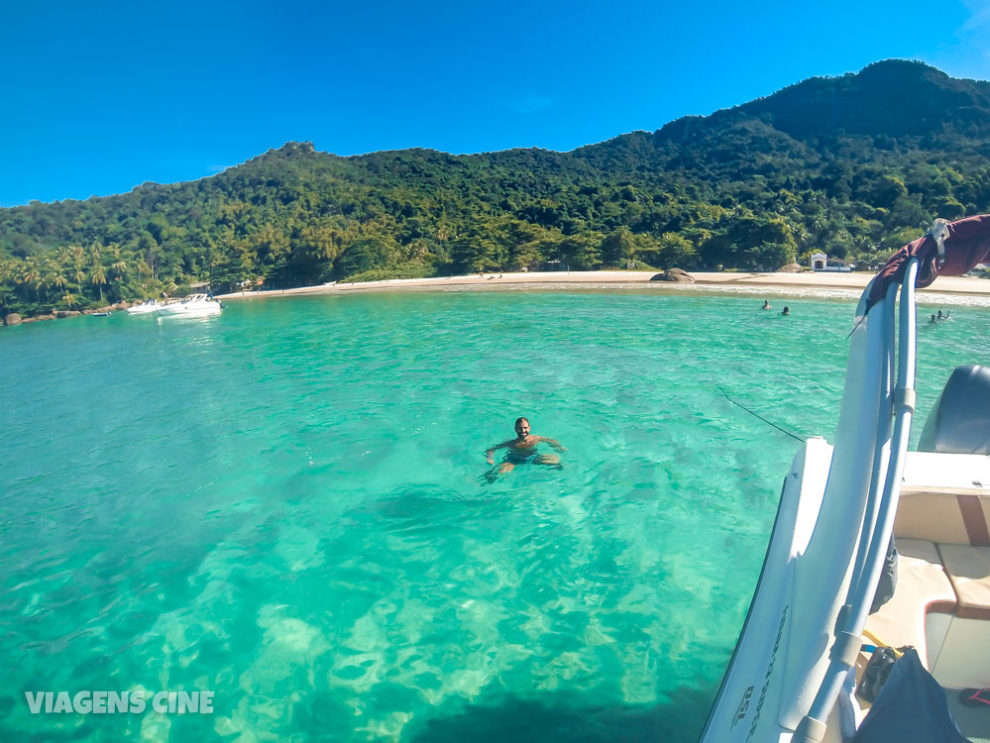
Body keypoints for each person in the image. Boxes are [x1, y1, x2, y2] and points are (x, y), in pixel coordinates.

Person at [485, 417, 565, 481]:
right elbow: (491, 449)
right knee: (496, 475)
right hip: (513, 460)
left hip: (533, 457)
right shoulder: (511, 443)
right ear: (516, 429)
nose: (523, 431)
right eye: (520, 428)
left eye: (525, 428)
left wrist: (558, 447)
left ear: (529, 428)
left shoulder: (535, 439)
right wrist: (490, 458)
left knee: (558, 463)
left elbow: (551, 440)